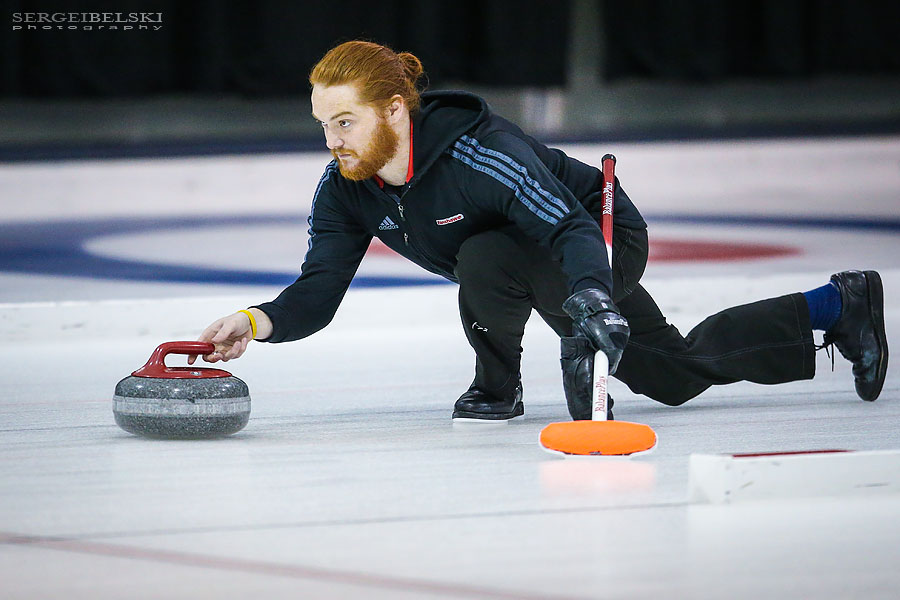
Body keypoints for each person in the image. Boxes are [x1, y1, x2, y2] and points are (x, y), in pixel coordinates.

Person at [190, 40, 889, 421]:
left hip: (596, 235)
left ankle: (497, 387)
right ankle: (837, 304)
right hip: (523, 257)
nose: (331, 141)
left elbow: (565, 224)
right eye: (322, 125)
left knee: (487, 253)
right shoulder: (345, 191)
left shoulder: (479, 151)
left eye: (344, 122)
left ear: (395, 111)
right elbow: (318, 291)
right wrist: (258, 321)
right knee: (670, 376)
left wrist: (590, 294)